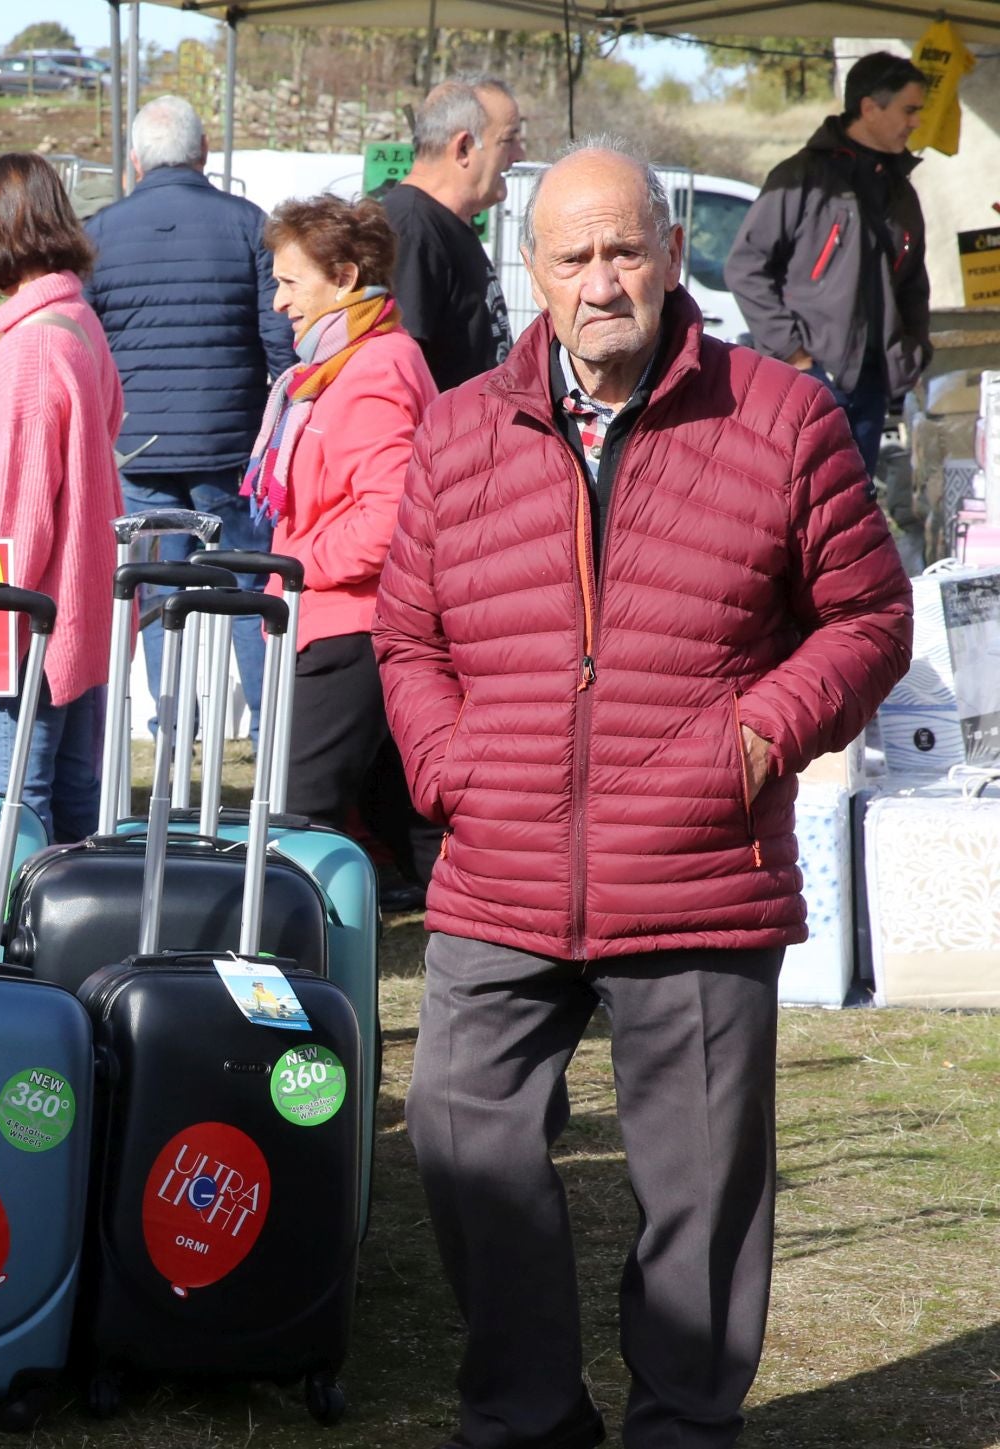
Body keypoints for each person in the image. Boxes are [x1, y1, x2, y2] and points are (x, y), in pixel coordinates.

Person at [374, 141, 912, 1449]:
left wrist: (758, 737)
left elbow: (867, 617)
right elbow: (407, 633)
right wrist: (449, 766)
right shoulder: (456, 430)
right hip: (501, 862)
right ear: (535, 273)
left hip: (698, 867)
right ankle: (526, 1412)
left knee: (702, 1189)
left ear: (676, 259)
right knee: (460, 1132)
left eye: (628, 250)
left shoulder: (779, 418)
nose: (604, 279)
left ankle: (681, 1421)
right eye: (576, 257)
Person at [0, 154, 125, 843]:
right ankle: (66, 944)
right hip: (78, 606)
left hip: (26, 619)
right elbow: (84, 449)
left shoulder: (29, 349)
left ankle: (12, 949)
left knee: (14, 809)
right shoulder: (77, 322)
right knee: (69, 802)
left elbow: (22, 522)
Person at [84, 95, 296, 745]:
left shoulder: (97, 233)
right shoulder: (248, 226)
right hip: (228, 445)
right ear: (204, 154)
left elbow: (89, 347)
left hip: (137, 447)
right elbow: (280, 344)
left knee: (157, 593)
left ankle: (173, 729)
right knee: (247, 589)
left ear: (134, 163)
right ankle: (266, 731)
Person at [244, 195, 435, 840]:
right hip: (337, 619)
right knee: (390, 820)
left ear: (346, 277)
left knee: (300, 815)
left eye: (291, 282)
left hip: (350, 627)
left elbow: (389, 517)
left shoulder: (373, 368)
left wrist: (301, 566)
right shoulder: (340, 364)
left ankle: (299, 940)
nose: (278, 302)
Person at [725, 51, 930, 486]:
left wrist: (912, 355)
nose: (916, 122)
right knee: (796, 514)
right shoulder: (801, 177)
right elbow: (745, 268)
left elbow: (913, 286)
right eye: (909, 110)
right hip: (806, 385)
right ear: (870, 107)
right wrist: (796, 357)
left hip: (872, 390)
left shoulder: (901, 191)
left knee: (853, 517)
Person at [380, 75, 526, 392]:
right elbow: (396, 374)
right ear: (463, 148)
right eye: (508, 140)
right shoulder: (411, 227)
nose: (519, 154)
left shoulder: (443, 222)